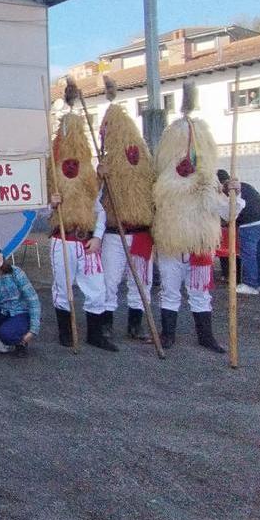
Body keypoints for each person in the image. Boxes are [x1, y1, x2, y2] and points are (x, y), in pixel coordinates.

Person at [152, 83, 243, 353]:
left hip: (199, 247)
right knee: (169, 290)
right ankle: (167, 335)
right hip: (171, 245)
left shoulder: (208, 183)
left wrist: (233, 193)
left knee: (200, 293)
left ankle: (206, 336)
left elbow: (228, 213)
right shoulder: (163, 186)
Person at [49, 109, 117, 351]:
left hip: (87, 241)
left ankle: (95, 334)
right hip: (62, 239)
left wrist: (98, 237)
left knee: (97, 287)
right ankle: (66, 333)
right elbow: (38, 211)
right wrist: (51, 203)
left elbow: (99, 209)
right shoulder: (51, 171)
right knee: (62, 287)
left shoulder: (89, 172)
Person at [96, 87, 157, 340]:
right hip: (114, 233)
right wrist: (99, 177)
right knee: (110, 279)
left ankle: (135, 325)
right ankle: (106, 323)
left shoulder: (146, 162)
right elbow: (94, 198)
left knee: (142, 281)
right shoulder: (106, 164)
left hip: (141, 233)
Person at [218, 169, 260, 295]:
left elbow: (230, 210)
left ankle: (250, 284)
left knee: (249, 254)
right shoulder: (245, 185)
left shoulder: (228, 189)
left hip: (250, 223)